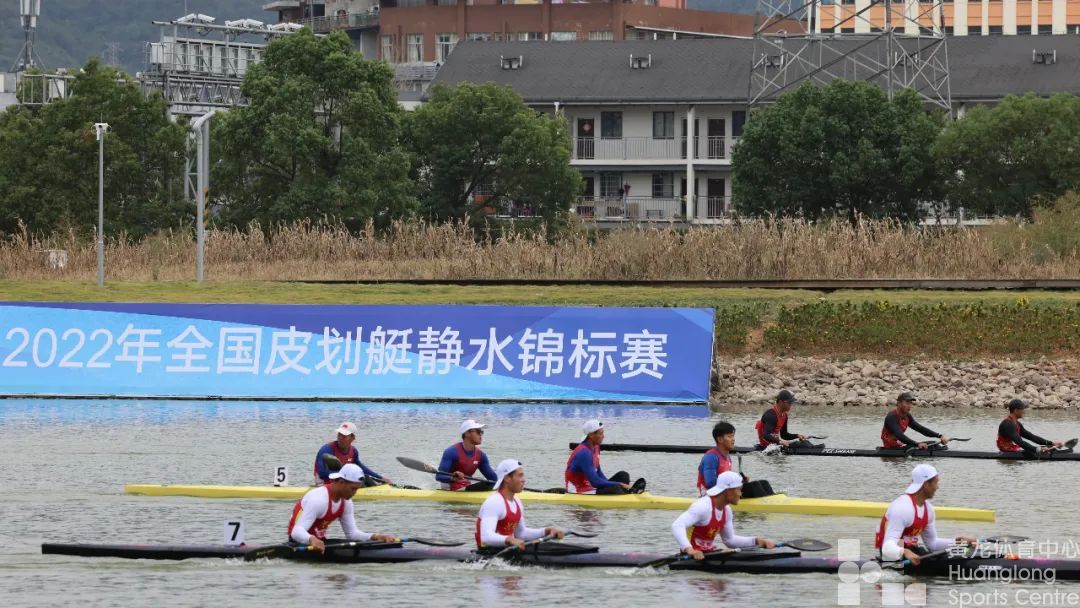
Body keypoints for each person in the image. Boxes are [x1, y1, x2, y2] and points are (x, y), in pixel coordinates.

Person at [874, 464, 976, 565]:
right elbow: (886, 548)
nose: (937, 487)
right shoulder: (902, 508)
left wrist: (957, 542)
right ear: (926, 484)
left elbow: (933, 544)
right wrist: (904, 552)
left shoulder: (929, 510)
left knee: (948, 556)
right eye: (936, 483)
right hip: (892, 555)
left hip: (911, 551)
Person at [287, 463, 397, 553]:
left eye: (357, 489)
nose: (354, 493)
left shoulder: (346, 501)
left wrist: (375, 537)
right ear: (341, 482)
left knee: (364, 545)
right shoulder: (318, 499)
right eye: (353, 489)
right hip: (298, 542)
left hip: (320, 543)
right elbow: (296, 532)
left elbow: (352, 534)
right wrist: (312, 539)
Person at [673, 471, 776, 560]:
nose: (741, 494)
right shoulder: (703, 507)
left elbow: (729, 540)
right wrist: (690, 550)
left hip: (708, 554)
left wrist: (757, 541)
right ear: (728, 490)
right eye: (739, 489)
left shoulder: (726, 511)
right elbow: (677, 525)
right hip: (691, 556)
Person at [476, 459, 565, 550]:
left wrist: (547, 531)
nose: (524, 480)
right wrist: (510, 540)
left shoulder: (517, 501)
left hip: (507, 549)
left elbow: (521, 533)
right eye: (520, 476)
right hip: (487, 552)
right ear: (507, 478)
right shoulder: (494, 502)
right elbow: (486, 537)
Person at [565, 420, 646, 495]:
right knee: (616, 487)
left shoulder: (596, 447)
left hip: (590, 485)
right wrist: (618, 484)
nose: (603, 436)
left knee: (623, 475)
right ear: (591, 435)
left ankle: (626, 492)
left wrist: (608, 484)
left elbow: (599, 473)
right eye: (600, 434)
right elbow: (595, 482)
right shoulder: (583, 453)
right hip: (578, 489)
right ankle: (626, 493)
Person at [313, 422, 392, 487]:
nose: (340, 438)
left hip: (342, 481)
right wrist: (346, 475)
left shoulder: (353, 451)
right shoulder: (326, 450)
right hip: (324, 483)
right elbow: (322, 473)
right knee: (361, 483)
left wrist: (381, 478)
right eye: (339, 434)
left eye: (344, 436)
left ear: (352, 438)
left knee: (366, 478)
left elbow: (362, 469)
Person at [436, 419, 497, 491]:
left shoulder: (481, 456)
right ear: (467, 433)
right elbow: (439, 476)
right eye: (478, 432)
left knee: (486, 482)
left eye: (481, 432)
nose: (480, 435)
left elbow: (494, 479)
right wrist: (453, 478)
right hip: (449, 487)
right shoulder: (451, 452)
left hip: (465, 485)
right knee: (482, 483)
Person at [881, 392, 950, 450]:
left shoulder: (907, 416)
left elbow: (921, 429)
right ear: (899, 403)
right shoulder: (891, 417)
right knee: (931, 446)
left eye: (911, 403)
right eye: (907, 403)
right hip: (890, 448)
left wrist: (939, 436)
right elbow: (900, 436)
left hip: (899, 445)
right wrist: (917, 444)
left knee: (933, 444)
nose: (910, 406)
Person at [997, 398, 1065, 455]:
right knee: (1037, 451)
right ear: (1016, 410)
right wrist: (1037, 449)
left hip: (1012, 450)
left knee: (1046, 448)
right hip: (1006, 452)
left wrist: (1052, 443)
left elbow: (1031, 437)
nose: (1024, 411)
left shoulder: (1017, 424)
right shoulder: (1007, 424)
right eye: (1022, 409)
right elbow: (1020, 442)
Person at [697, 421, 745, 496]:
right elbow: (710, 483)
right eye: (729, 436)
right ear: (719, 439)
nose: (733, 439)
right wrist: (735, 484)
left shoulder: (728, 457)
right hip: (709, 494)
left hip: (724, 492)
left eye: (733, 436)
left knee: (761, 484)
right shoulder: (711, 457)